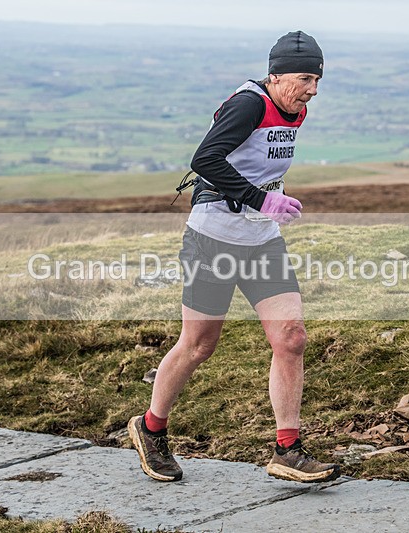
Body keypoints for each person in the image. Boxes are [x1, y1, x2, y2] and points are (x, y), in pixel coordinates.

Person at [128, 30, 340, 484]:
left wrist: (273, 200)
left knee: (292, 338)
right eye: (305, 78)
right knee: (198, 346)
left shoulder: (294, 110)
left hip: (262, 241)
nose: (313, 90)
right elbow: (205, 158)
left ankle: (288, 450)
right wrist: (259, 200)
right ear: (277, 73)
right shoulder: (250, 104)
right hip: (213, 241)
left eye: (318, 79)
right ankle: (150, 429)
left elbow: (258, 164)